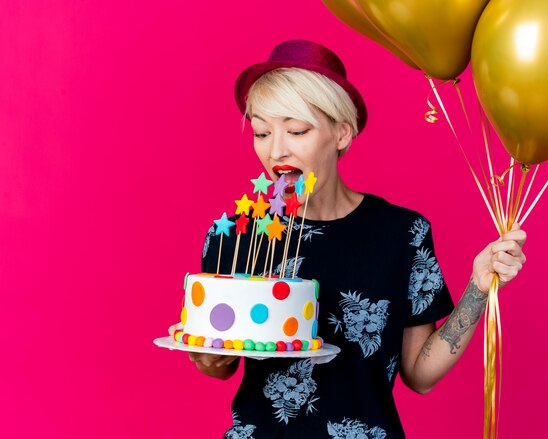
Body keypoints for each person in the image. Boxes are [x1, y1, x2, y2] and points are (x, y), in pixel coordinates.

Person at [169, 40, 527, 438]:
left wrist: (479, 287)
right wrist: (204, 356)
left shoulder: (401, 233)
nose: (276, 150)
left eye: (296, 130)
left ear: (342, 133)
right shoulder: (236, 234)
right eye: (262, 132)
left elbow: (420, 374)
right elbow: (218, 367)